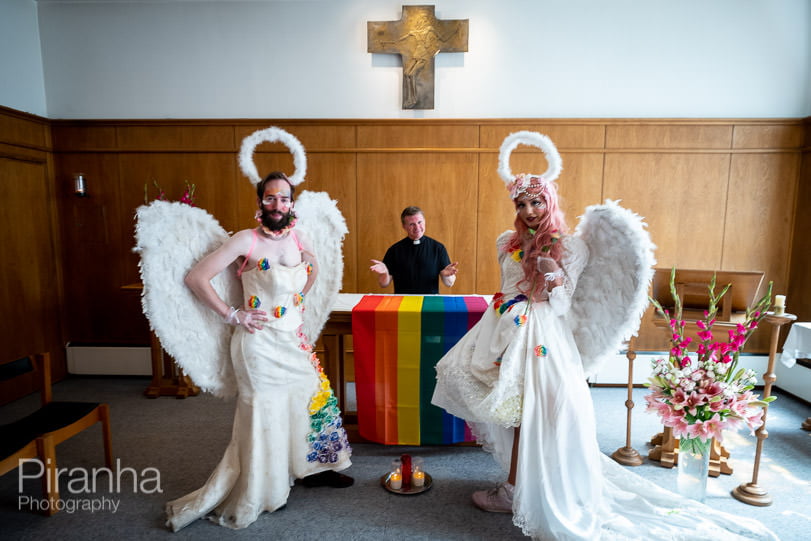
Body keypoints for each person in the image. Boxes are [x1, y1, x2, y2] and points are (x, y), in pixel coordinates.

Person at [431, 132, 778, 540]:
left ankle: (521, 487)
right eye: (521, 203)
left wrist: (554, 276)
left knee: (539, 413)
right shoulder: (505, 242)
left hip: (544, 336)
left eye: (536, 201)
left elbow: (562, 306)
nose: (529, 210)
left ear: (550, 201)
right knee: (509, 411)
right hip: (503, 330)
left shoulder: (573, 247)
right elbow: (506, 288)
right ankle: (515, 483)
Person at [165, 171, 353, 531]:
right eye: (270, 198)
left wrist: (296, 303)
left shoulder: (300, 238)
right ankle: (265, 487)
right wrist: (233, 314)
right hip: (258, 345)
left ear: (291, 204)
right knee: (265, 412)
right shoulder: (245, 241)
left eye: (284, 199)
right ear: (260, 202)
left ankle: (311, 470)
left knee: (310, 401)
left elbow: (309, 278)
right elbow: (196, 278)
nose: (277, 205)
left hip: (292, 341)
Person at [370, 206, 459, 294]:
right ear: (404, 226)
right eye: (412, 224)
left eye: (419, 222)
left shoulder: (438, 248)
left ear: (425, 222)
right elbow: (383, 284)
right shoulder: (394, 250)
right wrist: (385, 272)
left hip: (429, 303)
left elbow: (449, 283)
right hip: (402, 303)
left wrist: (447, 275)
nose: (417, 227)